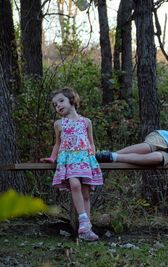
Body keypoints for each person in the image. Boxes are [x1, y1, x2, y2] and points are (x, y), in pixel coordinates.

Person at [40, 87, 103, 241]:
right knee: (75, 185)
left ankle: (87, 230)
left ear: (72, 99)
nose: (58, 106)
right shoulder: (59, 124)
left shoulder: (86, 121)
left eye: (61, 101)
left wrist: (92, 158)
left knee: (86, 192)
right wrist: (52, 158)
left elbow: (91, 142)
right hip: (69, 159)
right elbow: (57, 144)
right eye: (55, 104)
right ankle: (83, 220)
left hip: (84, 159)